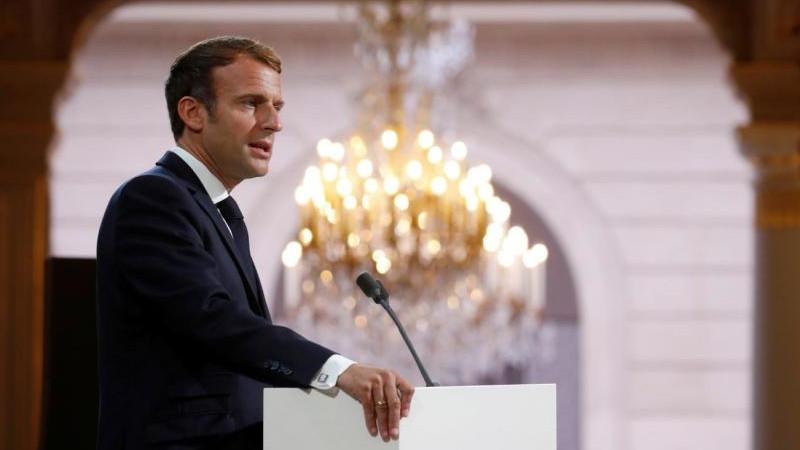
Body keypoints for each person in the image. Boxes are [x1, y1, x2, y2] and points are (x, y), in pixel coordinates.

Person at [96, 36, 414, 450]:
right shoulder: (153, 198)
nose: (273, 122)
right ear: (193, 112)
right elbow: (213, 321)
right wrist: (337, 371)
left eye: (277, 106)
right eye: (251, 103)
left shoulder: (218, 212)